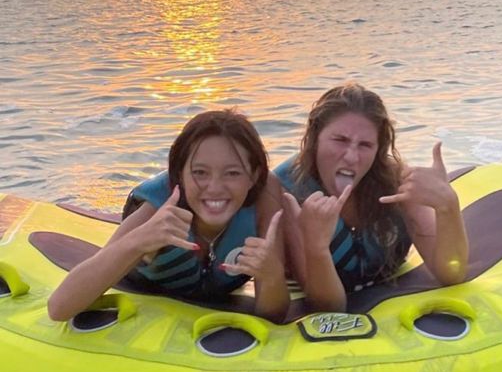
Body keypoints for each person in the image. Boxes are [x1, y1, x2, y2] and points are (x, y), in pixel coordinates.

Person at [48, 110, 289, 323]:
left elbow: (273, 315)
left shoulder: (265, 198)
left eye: (232, 173)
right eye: (200, 173)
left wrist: (272, 277)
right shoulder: (155, 211)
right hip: (147, 287)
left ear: (254, 175)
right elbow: (59, 308)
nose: (215, 187)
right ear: (179, 174)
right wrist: (140, 241)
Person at [275, 84, 469, 312]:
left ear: (378, 149)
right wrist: (316, 246)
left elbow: (451, 273)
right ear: (315, 137)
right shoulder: (288, 191)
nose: (351, 156)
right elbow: (327, 305)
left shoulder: (395, 181)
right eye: (340, 140)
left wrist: (447, 205)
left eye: (365, 145)